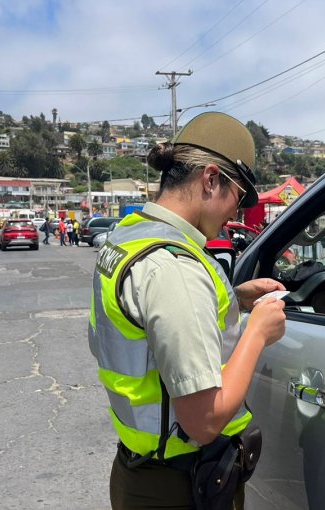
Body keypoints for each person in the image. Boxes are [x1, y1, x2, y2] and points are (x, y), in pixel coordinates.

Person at [90, 112, 287, 509]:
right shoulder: (174, 267)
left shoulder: (130, 235)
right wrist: (257, 331)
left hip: (141, 470)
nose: (238, 211)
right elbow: (205, 420)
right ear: (211, 179)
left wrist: (234, 297)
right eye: (239, 196)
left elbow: (149, 320)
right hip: (182, 484)